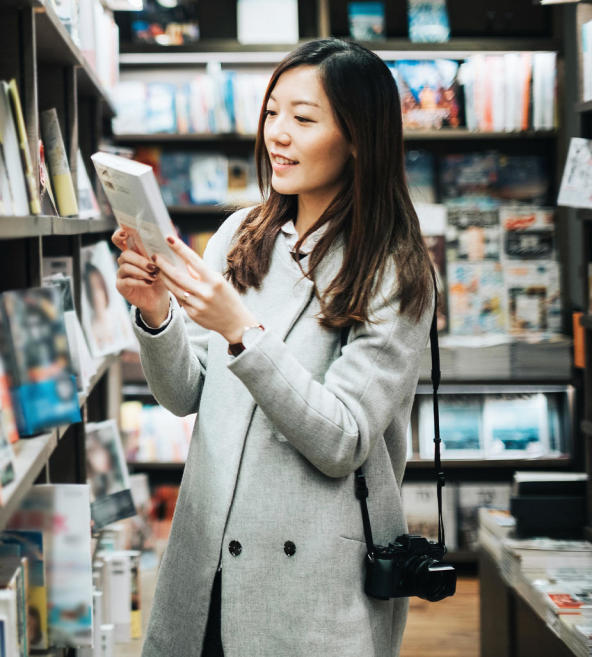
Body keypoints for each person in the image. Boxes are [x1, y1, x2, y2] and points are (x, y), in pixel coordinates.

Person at [111, 38, 434, 657]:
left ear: (359, 137)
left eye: (304, 118)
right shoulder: (241, 234)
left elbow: (342, 439)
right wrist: (157, 314)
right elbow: (184, 395)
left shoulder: (394, 268)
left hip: (308, 577)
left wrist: (242, 331)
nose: (278, 135)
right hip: (207, 562)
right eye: (272, 113)